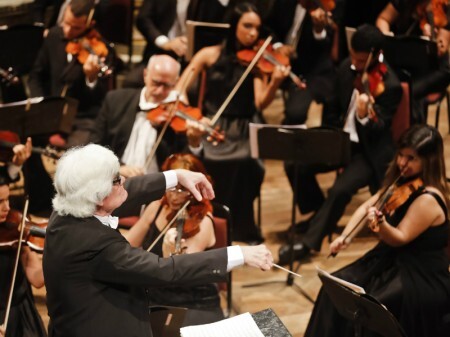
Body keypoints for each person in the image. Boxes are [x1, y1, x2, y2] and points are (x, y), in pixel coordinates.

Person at [43, 143, 273, 337]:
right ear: (98, 195)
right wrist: (238, 254)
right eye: (116, 179)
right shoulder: (96, 244)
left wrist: (176, 177)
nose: (124, 180)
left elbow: (128, 189)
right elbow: (164, 270)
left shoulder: (67, 207)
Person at [304, 124, 450, 337]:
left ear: (429, 161)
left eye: (411, 158)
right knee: (333, 291)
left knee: (370, 309)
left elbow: (399, 238)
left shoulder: (428, 198)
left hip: (420, 274)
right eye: (400, 155)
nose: (402, 162)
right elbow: (366, 207)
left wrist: (381, 225)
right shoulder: (403, 182)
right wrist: (345, 237)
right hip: (391, 260)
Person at [278, 24, 402, 264]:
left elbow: (380, 129)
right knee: (295, 164)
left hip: (368, 152)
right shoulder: (347, 67)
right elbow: (333, 106)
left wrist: (365, 115)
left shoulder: (391, 85)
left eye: (361, 59)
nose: (355, 62)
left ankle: (308, 243)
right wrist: (326, 137)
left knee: (341, 190)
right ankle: (318, 215)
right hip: (340, 140)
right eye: (353, 56)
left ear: (376, 55)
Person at [177, 2, 289, 243]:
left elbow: (260, 102)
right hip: (213, 124)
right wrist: (195, 115)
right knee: (201, 158)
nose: (253, 33)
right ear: (233, 26)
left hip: (244, 126)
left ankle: (240, 225)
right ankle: (205, 217)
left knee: (250, 163)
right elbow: (181, 89)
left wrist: (276, 82)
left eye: (257, 28)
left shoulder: (257, 61)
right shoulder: (210, 54)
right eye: (247, 26)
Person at [124, 153, 225, 326]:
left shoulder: (203, 221)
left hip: (192, 302)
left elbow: (180, 272)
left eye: (183, 190)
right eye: (172, 188)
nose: (174, 196)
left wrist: (169, 252)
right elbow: (129, 243)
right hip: (154, 295)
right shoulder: (156, 207)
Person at [90, 54, 200, 178]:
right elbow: (94, 145)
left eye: (167, 86)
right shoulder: (115, 100)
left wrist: (194, 142)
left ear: (175, 82)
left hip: (157, 189)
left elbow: (185, 164)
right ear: (145, 75)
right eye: (156, 83)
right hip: (114, 179)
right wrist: (116, 169)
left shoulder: (179, 114)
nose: (159, 91)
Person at [28, 0, 113, 147]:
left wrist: (91, 78)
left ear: (90, 24)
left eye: (76, 28)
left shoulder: (103, 48)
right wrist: (40, 105)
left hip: (81, 118)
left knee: (75, 155)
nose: (67, 31)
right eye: (65, 23)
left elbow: (100, 99)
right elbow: (36, 76)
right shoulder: (54, 35)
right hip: (50, 111)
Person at [376, 0, 450, 122]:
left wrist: (433, 39)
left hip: (435, 68)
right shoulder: (404, 2)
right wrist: (386, 35)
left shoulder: (444, 5)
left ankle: (411, 130)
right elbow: (383, 19)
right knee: (394, 87)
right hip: (407, 61)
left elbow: (442, 46)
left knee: (409, 93)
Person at [265, 0, 336, 125]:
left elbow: (325, 50)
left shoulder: (325, 7)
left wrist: (318, 30)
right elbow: (268, 27)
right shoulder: (284, 3)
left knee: (295, 113)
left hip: (310, 70)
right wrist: (278, 46)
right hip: (279, 60)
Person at [0, 174, 47, 337]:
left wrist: (57, 256)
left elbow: (36, 278)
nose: (7, 207)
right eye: (0, 202)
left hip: (20, 313)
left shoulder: (17, 230)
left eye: (7, 199)